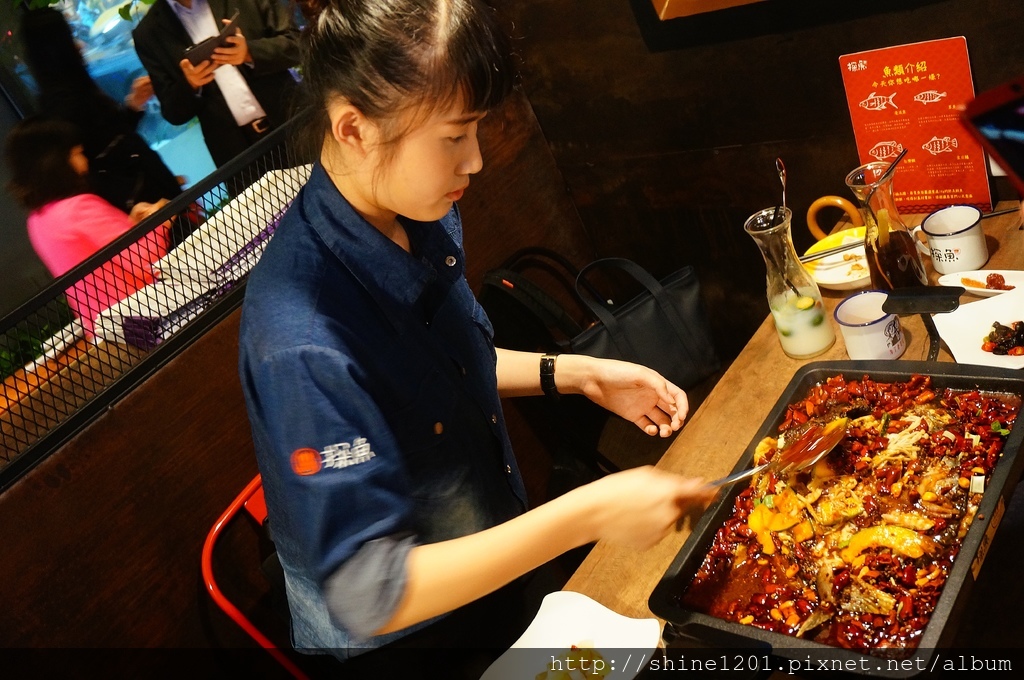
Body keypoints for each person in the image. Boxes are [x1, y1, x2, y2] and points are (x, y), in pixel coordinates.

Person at [237, 0, 715, 671]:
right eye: (455, 135)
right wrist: (587, 515)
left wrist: (575, 374)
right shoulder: (303, 337)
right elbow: (367, 591)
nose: (478, 161)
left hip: (487, 557)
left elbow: (449, 367)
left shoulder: (407, 209)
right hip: (410, 642)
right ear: (354, 128)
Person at [4, 117, 170, 337]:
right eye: (77, 154)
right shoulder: (79, 207)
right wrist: (162, 217)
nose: (85, 162)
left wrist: (131, 224)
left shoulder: (37, 221)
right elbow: (146, 261)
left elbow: (96, 257)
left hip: (110, 331)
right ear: (55, 163)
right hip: (151, 318)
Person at [19, 8, 183, 219]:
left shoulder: (68, 93)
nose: (80, 45)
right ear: (58, 48)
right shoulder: (66, 106)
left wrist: (133, 107)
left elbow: (111, 139)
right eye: (70, 36)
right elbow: (108, 155)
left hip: (150, 200)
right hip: (149, 209)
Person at [131, 0, 301, 169]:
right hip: (237, 154)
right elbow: (172, 112)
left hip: (295, 122)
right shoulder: (148, 33)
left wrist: (249, 53)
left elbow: (297, 44)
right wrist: (190, 84)